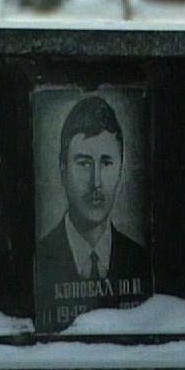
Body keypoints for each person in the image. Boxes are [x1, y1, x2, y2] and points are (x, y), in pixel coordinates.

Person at [36, 96, 151, 325]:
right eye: (84, 163)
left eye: (106, 163)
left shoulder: (141, 261)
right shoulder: (39, 258)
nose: (96, 182)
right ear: (63, 168)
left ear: (121, 170)